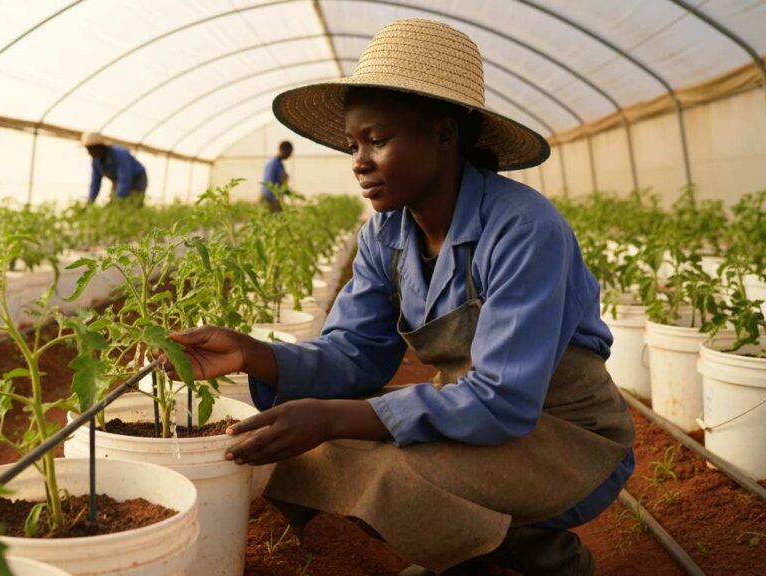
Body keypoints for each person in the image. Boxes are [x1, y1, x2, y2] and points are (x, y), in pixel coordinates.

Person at [161, 19, 634, 576]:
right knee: (327, 451)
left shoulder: (522, 228)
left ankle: (543, 558)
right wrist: (252, 353)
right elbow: (353, 355)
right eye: (353, 144)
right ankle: (474, 555)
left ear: (443, 134)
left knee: (389, 473)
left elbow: (504, 400)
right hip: (476, 417)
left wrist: (339, 416)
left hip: (565, 437)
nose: (359, 161)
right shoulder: (387, 235)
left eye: (377, 141)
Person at [83, 133, 148, 205]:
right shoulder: (96, 161)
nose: (89, 152)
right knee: (116, 201)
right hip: (119, 180)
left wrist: (116, 200)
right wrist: (89, 203)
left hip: (137, 178)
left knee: (133, 202)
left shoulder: (120, 154)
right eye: (88, 149)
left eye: (91, 149)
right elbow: (95, 183)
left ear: (99, 147)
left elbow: (125, 179)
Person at [260, 140, 293, 212]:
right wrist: (275, 202)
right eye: (290, 152)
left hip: (275, 198)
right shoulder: (273, 164)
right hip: (268, 198)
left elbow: (280, 183)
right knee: (271, 219)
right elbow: (268, 185)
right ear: (284, 150)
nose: (290, 155)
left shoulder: (280, 165)